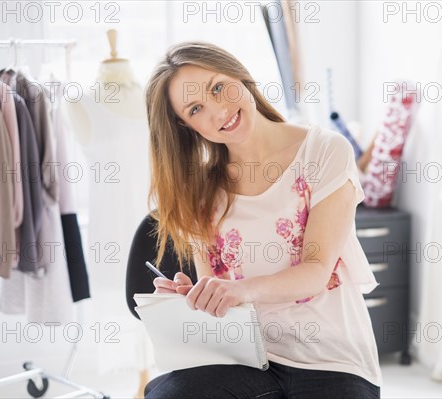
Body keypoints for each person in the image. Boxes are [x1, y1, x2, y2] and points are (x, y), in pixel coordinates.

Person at [145, 41, 382, 398]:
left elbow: (316, 270)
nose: (220, 110)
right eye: (196, 108)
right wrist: (196, 297)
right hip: (249, 360)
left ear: (238, 73)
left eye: (218, 87)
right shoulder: (200, 190)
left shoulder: (324, 151)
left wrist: (240, 289)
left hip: (333, 361)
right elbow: (221, 310)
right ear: (185, 126)